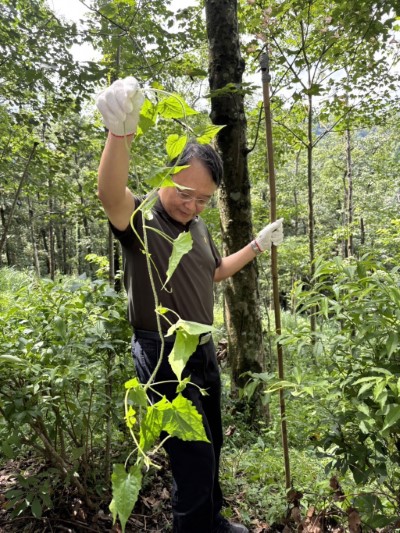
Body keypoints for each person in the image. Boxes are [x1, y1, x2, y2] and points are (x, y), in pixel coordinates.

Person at [96, 77, 284, 533]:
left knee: (212, 441)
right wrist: (120, 134)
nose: (192, 205)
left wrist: (256, 246)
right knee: (190, 453)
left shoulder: (197, 226)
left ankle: (210, 519)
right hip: (162, 352)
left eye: (203, 199)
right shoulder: (142, 220)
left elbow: (214, 270)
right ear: (166, 177)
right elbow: (110, 195)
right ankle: (191, 527)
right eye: (185, 193)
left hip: (200, 348)